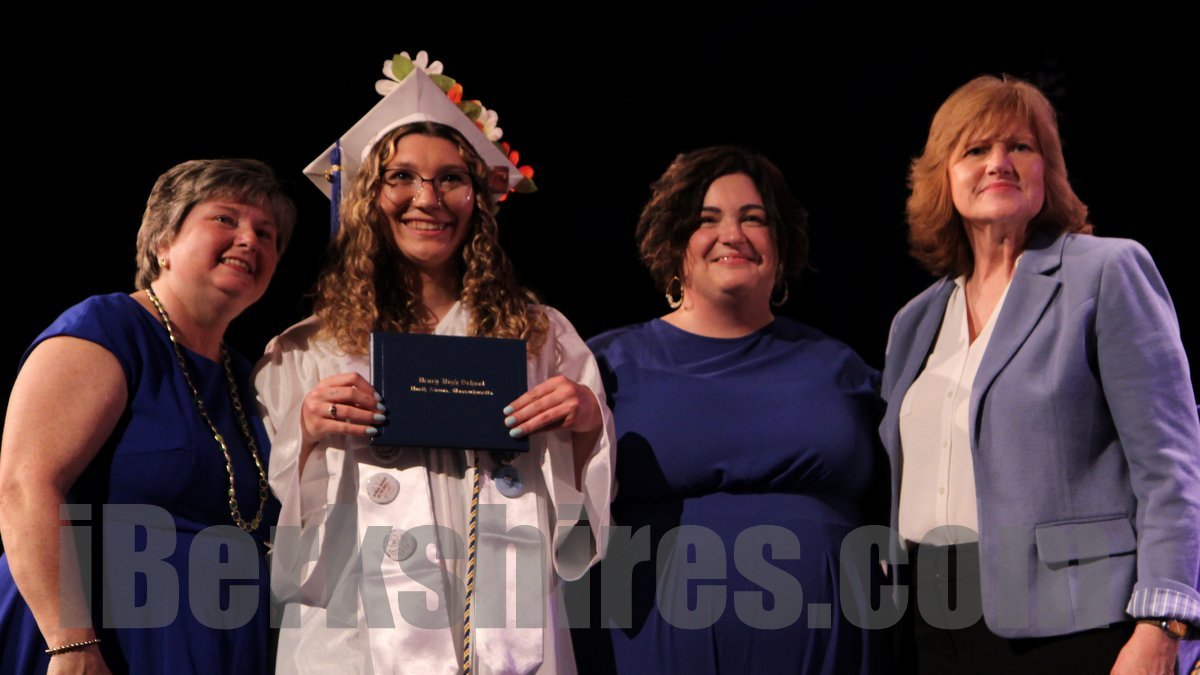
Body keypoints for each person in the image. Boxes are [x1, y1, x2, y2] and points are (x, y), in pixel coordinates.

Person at [254, 52, 615, 674]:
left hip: (507, 622)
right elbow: (279, 513)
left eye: (451, 178)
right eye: (401, 176)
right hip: (357, 632)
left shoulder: (542, 337)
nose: (428, 198)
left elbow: (582, 508)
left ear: (478, 199)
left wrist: (585, 424)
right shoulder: (308, 349)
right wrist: (305, 433)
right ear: (367, 196)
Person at [880, 74, 1200, 673]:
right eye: (976, 149)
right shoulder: (914, 321)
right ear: (943, 177)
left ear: (1047, 169)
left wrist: (1164, 623)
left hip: (1075, 620)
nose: (998, 163)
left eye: (1020, 147)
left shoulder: (1106, 272)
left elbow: (1170, 466)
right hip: (932, 616)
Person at [575, 146, 888, 673]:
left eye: (754, 219)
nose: (733, 234)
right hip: (648, 645)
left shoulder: (840, 368)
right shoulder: (605, 366)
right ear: (674, 243)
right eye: (707, 219)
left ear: (781, 248)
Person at [0, 158, 294, 674]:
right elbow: (26, 486)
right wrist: (71, 644)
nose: (250, 239)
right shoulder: (107, 329)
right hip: (101, 643)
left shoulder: (251, 380)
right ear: (162, 241)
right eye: (225, 219)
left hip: (215, 646)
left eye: (266, 233)